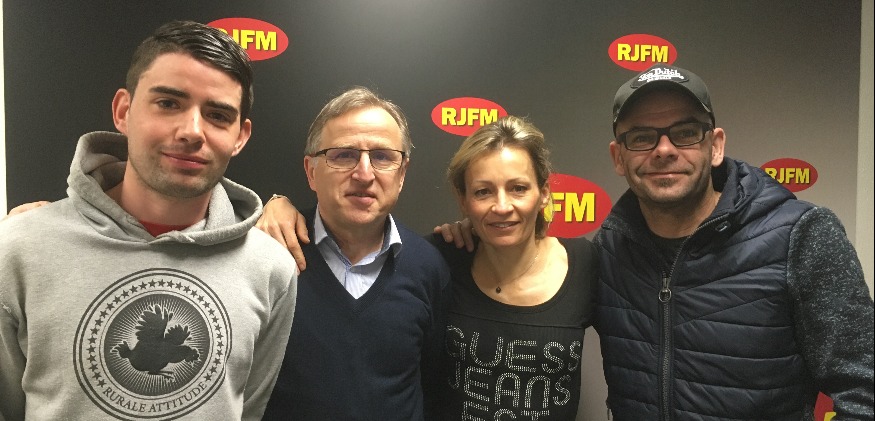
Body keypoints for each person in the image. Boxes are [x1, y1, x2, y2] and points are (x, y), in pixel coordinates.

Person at [440, 63, 875, 419]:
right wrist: (475, 234)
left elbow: (864, 388)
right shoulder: (607, 253)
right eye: (642, 137)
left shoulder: (801, 236)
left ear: (715, 145)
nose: (664, 150)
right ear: (619, 156)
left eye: (685, 132)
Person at [0, 21, 297, 421]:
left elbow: (248, 406)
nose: (192, 131)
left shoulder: (271, 269)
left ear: (240, 136)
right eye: (168, 103)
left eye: (217, 115)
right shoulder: (17, 250)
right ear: (123, 111)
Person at [258, 115, 600, 419]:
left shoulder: (584, 264)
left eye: (518, 188)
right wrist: (276, 203)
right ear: (464, 201)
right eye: (483, 192)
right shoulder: (442, 258)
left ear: (544, 193)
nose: (501, 206)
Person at [258, 86, 451, 421]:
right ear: (311, 171)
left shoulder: (429, 266)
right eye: (344, 155)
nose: (364, 174)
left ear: (402, 174)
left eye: (383, 157)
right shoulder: (270, 252)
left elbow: (435, 386)